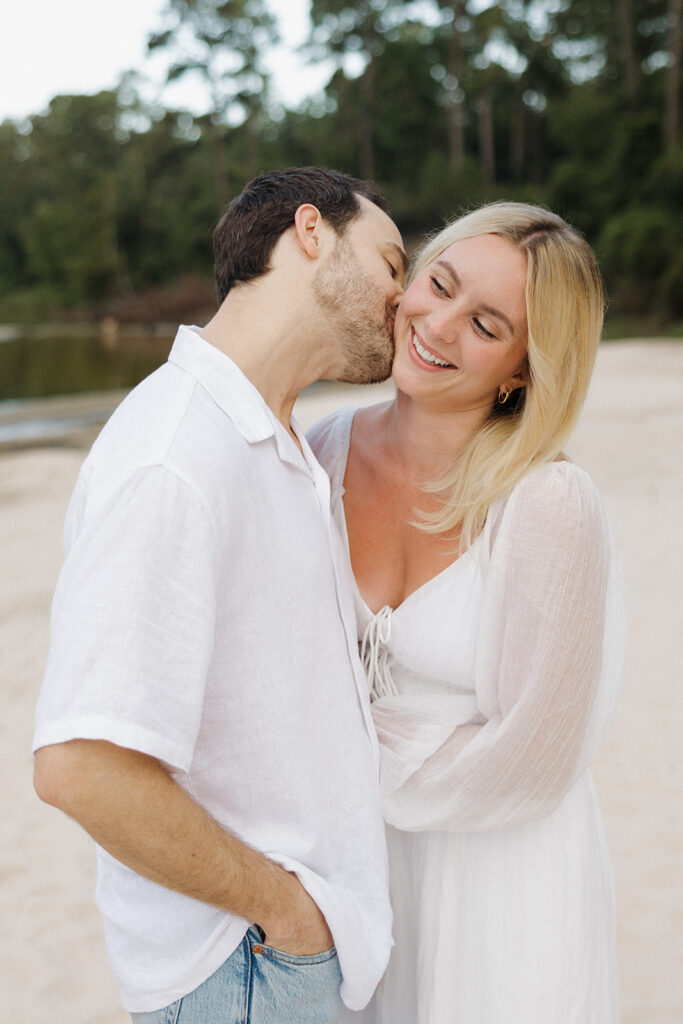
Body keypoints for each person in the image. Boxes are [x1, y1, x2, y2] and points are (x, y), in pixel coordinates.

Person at [32, 167, 408, 1023]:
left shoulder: (277, 444)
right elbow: (80, 766)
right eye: (391, 263)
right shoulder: (175, 455)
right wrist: (282, 913)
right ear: (311, 233)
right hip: (244, 967)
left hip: (287, 959)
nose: (405, 295)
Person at [309, 201, 626, 1023]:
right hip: (358, 867)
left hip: (501, 877)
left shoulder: (549, 505)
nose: (436, 326)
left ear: (522, 368)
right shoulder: (320, 452)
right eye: (437, 284)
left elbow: (538, 755)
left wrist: (339, 759)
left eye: (484, 324)